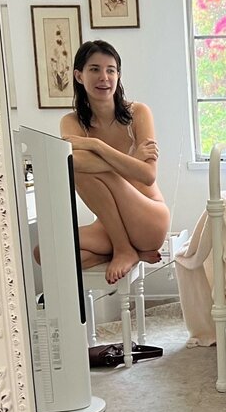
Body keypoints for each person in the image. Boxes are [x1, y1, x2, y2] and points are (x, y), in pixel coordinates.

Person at [60, 40, 170, 284]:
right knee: (47, 253)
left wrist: (96, 146)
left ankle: (123, 249)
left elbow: (147, 175)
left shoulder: (138, 113)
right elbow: (74, 162)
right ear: (79, 76)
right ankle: (128, 251)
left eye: (111, 70)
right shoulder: (72, 122)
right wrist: (131, 161)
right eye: (94, 69)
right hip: (111, 224)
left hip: (148, 218)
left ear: (118, 75)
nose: (104, 77)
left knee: (82, 171)